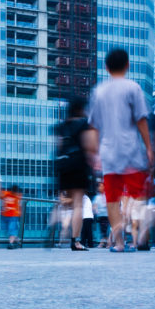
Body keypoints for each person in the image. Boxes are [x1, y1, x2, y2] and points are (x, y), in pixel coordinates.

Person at [88, 48, 154, 251]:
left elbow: (94, 127)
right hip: (131, 150)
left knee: (112, 197)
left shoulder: (98, 91)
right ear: (128, 65)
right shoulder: (133, 88)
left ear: (106, 67)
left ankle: (118, 243)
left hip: (108, 152)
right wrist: (149, 147)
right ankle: (139, 238)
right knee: (138, 195)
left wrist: (95, 153)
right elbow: (141, 119)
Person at [54, 97, 97, 251]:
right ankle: (75, 241)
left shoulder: (62, 126)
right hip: (78, 164)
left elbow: (59, 146)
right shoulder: (84, 124)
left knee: (66, 203)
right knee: (78, 204)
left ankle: (53, 221)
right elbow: (90, 145)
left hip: (63, 165)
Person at [1, 184, 22, 249]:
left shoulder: (18, 195)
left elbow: (20, 203)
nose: (14, 193)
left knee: (11, 229)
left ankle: (11, 243)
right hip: (5, 215)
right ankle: (16, 239)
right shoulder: (6, 193)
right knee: (7, 230)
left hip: (14, 215)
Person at [93, 183, 109, 247]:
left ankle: (104, 243)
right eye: (99, 186)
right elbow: (94, 205)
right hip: (101, 215)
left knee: (106, 229)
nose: (100, 188)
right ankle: (104, 242)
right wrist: (95, 210)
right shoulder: (97, 197)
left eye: (102, 186)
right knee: (102, 229)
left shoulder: (107, 195)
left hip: (107, 214)